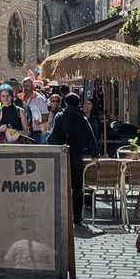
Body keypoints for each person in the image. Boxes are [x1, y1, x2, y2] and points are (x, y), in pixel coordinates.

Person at [47, 92, 97, 226]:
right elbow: (91, 136)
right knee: (77, 186)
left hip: (62, 154)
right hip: (77, 155)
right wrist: (95, 153)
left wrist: (48, 142)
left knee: (60, 185)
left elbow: (53, 136)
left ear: (66, 103)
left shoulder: (60, 116)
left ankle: (61, 213)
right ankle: (77, 215)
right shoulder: (82, 117)